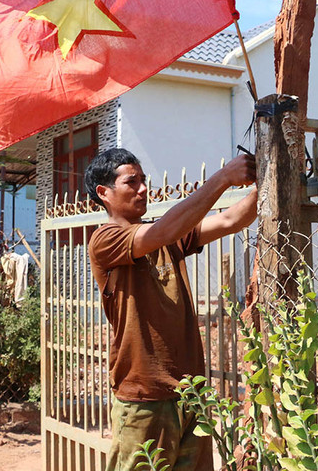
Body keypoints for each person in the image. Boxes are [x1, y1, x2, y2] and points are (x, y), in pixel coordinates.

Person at [85, 148, 257, 471]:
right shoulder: (105, 239)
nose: (143, 188)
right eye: (131, 182)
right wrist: (223, 178)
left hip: (192, 396)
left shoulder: (169, 236)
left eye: (144, 180)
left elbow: (232, 219)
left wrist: (267, 180)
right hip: (144, 401)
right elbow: (161, 231)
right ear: (104, 193)